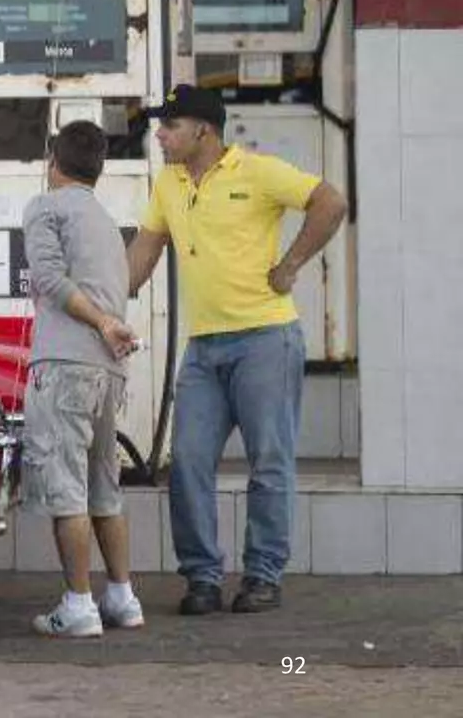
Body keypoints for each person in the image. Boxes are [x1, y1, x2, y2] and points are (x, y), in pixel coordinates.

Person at [127, 84, 348, 616]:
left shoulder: (257, 171)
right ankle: (202, 578)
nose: (159, 134)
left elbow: (330, 201)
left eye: (170, 125)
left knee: (269, 462)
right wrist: (103, 305)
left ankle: (263, 577)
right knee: (187, 463)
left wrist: (292, 263)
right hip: (202, 348)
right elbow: (145, 249)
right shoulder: (168, 182)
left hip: (265, 340)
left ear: (203, 129)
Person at [23, 120, 143, 638]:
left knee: (66, 490)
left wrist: (99, 322)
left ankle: (77, 605)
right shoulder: (106, 222)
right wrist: (109, 327)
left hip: (66, 366)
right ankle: (122, 597)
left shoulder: (45, 207)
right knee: (103, 488)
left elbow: (48, 279)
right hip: (107, 371)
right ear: (101, 167)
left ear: (53, 159)